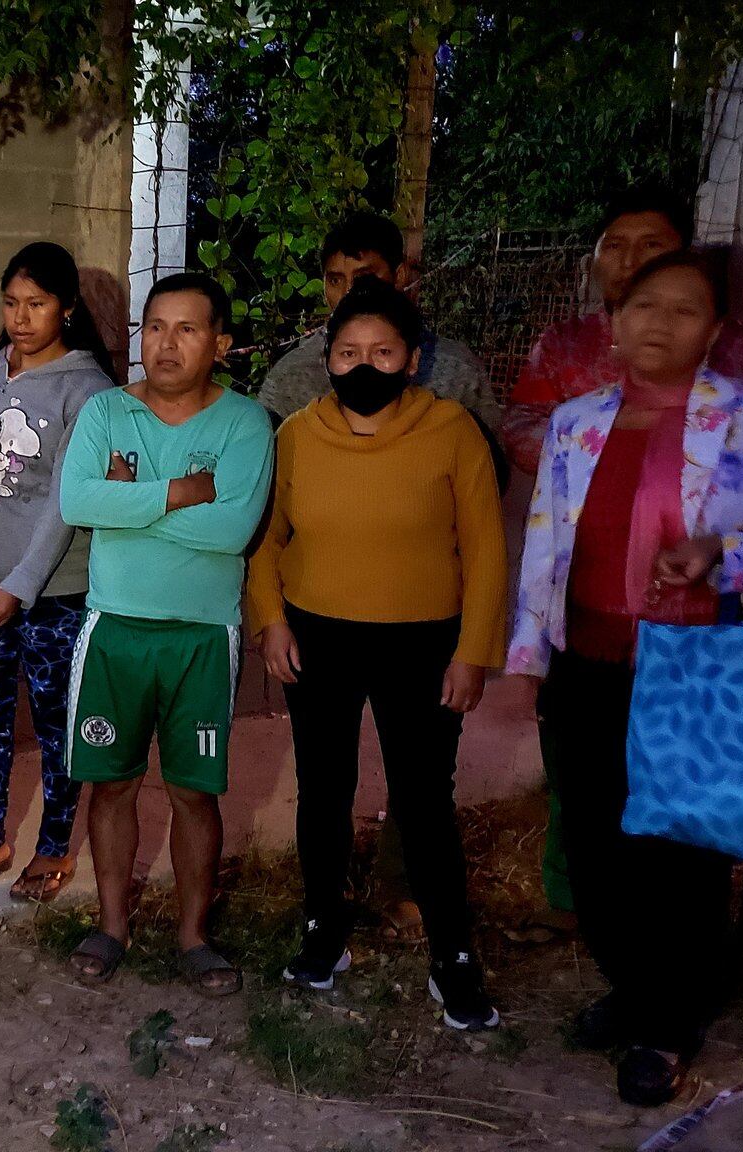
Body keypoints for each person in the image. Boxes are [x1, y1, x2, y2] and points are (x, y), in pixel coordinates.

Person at [509, 249, 743, 1107]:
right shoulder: (576, 420)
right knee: (593, 843)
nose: (660, 322)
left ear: (716, 328)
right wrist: (528, 657)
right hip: (587, 660)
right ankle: (632, 986)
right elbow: (547, 546)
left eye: (685, 308)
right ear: (615, 321)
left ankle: (666, 1025)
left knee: (679, 853)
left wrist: (723, 554)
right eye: (643, 306)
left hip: (698, 669)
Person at [246, 279, 507, 1029]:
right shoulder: (295, 433)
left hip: (423, 641)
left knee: (424, 800)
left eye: (383, 352)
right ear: (327, 360)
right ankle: (324, 927)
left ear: (413, 360)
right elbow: (268, 538)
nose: (366, 366)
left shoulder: (454, 431)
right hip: (316, 633)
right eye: (349, 352)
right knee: (323, 789)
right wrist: (271, 621)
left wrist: (472, 653)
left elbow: (486, 551)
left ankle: (452, 954)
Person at [59, 272, 274, 997]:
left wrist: (129, 499)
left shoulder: (245, 424)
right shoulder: (106, 411)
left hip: (201, 636)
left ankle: (193, 937)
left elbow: (233, 531)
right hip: (114, 628)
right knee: (110, 784)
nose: (167, 343)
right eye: (155, 326)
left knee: (192, 791)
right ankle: (111, 925)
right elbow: (76, 500)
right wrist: (177, 491)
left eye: (187, 329)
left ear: (220, 342)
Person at [0, 241, 116, 901]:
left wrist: (22, 584)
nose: (20, 316)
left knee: (53, 719)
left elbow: (68, 500)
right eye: (11, 302)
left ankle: (53, 847)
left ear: (66, 307)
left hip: (55, 591)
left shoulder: (89, 389)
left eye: (36, 304)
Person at [499, 187, 743, 476]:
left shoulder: (730, 344)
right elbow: (521, 425)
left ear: (684, 256)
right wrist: (604, 457)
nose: (629, 262)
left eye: (651, 245)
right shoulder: (564, 344)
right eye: (614, 246)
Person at [257, 212, 502, 431]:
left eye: (364, 277)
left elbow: (490, 467)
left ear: (399, 276)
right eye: (335, 280)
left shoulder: (456, 372)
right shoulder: (292, 375)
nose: (348, 291)